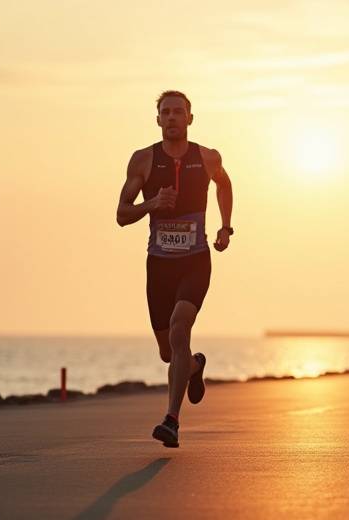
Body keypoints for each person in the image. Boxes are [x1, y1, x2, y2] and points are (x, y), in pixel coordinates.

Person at [116, 90, 234, 448]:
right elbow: (121, 215)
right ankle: (194, 367)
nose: (171, 118)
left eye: (178, 112)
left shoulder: (207, 156)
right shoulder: (142, 161)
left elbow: (224, 184)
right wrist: (152, 203)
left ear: (189, 118)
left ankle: (171, 420)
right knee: (169, 352)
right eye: (165, 112)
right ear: (158, 120)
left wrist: (225, 227)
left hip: (195, 261)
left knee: (181, 327)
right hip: (160, 266)